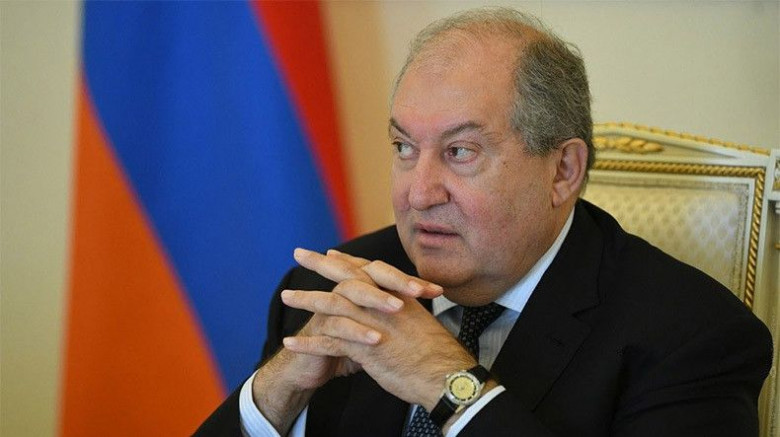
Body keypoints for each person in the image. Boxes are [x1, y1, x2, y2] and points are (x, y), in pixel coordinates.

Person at [196, 7, 772, 436]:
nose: (418, 193)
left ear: (563, 171)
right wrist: (277, 391)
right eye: (403, 147)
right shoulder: (331, 292)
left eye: (460, 152)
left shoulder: (691, 338)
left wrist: (451, 386)